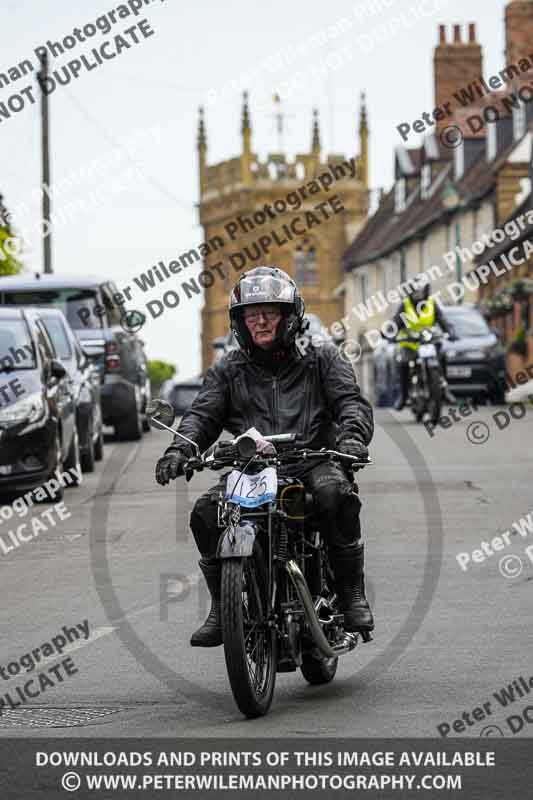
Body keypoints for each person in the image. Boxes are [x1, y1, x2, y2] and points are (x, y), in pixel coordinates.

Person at [155, 266, 374, 647]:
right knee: (206, 513)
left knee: (334, 496)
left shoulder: (322, 356)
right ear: (239, 321)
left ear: (289, 317)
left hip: (313, 459)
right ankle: (223, 607)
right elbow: (202, 415)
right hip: (252, 467)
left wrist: (352, 439)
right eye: (250, 314)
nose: (259, 321)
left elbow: (351, 403)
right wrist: (180, 448)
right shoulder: (228, 368)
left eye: (269, 313)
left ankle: (351, 594)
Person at [389, 277, 456, 411]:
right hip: (410, 344)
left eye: (421, 290)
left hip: (429, 342)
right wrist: (390, 333)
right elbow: (396, 322)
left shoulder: (432, 303)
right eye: (415, 290)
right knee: (403, 364)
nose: (418, 293)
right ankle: (403, 395)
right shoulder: (405, 305)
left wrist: (450, 331)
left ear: (426, 290)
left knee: (442, 357)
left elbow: (442, 319)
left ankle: (444, 389)